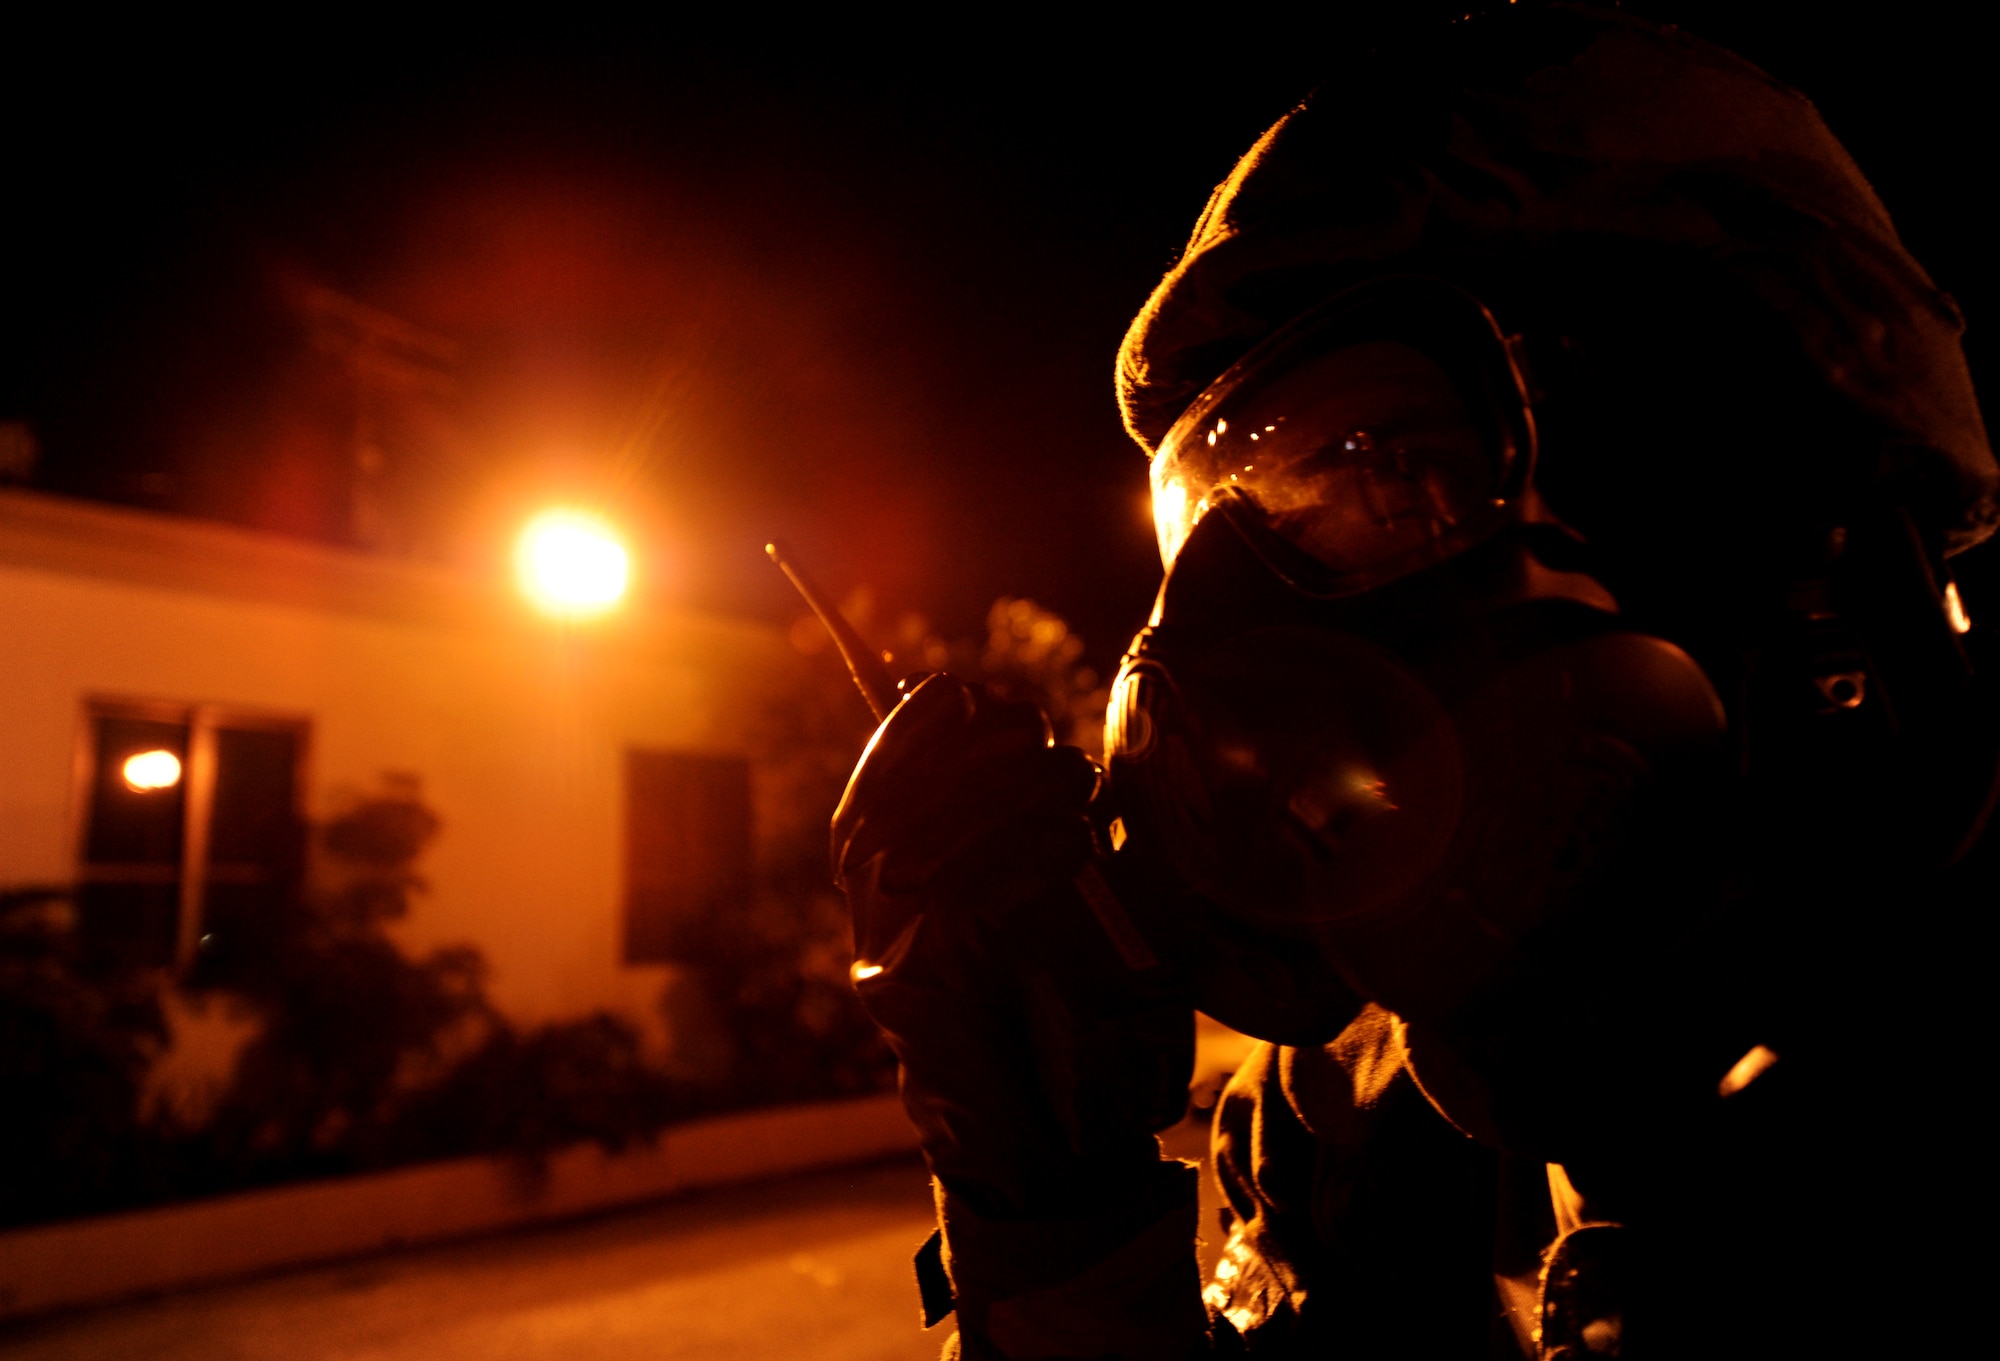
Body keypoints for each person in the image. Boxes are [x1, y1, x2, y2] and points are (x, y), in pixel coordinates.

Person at [830, 6, 1997, 1357]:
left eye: (1383, 470)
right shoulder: (1341, 1128)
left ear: (1756, 494)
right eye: (1218, 517)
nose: (1219, 623)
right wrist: (1055, 1214)